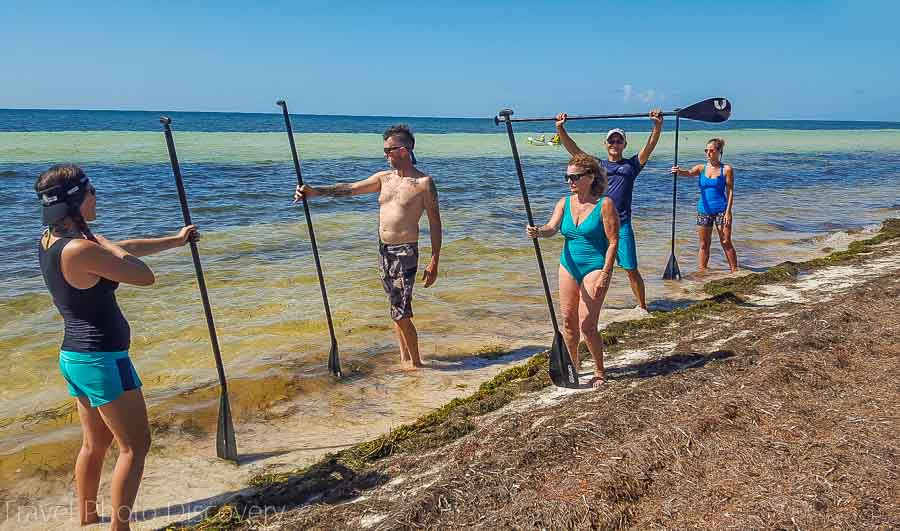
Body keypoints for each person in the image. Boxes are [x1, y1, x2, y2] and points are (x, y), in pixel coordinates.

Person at [34, 164, 198, 530]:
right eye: (91, 192)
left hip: (78, 357)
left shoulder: (52, 240)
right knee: (135, 447)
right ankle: (119, 528)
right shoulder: (81, 249)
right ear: (75, 202)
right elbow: (143, 275)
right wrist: (102, 239)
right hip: (100, 360)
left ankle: (88, 519)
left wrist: (175, 240)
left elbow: (123, 251)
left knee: (94, 446)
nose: (97, 197)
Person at [295, 124, 442, 369]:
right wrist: (314, 192)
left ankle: (417, 366)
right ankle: (404, 360)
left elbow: (436, 224)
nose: (385, 155)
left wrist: (434, 260)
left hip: (405, 252)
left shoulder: (424, 183)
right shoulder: (382, 179)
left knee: (402, 311)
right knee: (395, 307)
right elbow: (350, 189)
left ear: (404, 150)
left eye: (389, 150)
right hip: (384, 250)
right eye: (384, 150)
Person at [555, 109, 664, 315]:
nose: (615, 144)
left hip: (622, 225)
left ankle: (642, 307)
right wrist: (560, 129)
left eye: (619, 141)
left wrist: (657, 126)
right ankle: (590, 308)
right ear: (606, 144)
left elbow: (649, 147)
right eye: (611, 141)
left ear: (624, 145)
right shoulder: (597, 166)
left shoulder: (632, 165)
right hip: (597, 229)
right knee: (594, 269)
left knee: (631, 269)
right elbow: (575, 152)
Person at [526, 153, 619, 388]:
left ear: (590, 177)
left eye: (575, 177)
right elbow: (551, 228)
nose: (570, 181)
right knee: (568, 322)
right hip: (568, 265)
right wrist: (538, 231)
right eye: (567, 177)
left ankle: (599, 371)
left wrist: (606, 273)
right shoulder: (564, 202)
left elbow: (613, 242)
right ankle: (572, 369)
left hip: (595, 266)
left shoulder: (604, 204)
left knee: (587, 324)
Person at [672, 138, 738, 272]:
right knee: (704, 244)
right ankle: (702, 272)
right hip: (704, 210)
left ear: (719, 151)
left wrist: (728, 212)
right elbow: (689, 173)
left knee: (725, 242)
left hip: (721, 210)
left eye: (711, 150)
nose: (708, 153)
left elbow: (730, 191)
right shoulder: (701, 168)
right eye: (706, 150)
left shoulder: (726, 169)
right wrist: (678, 171)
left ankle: (735, 270)